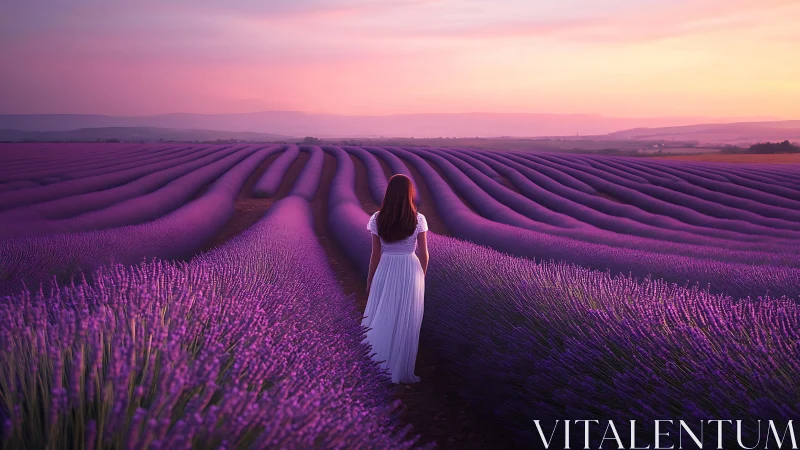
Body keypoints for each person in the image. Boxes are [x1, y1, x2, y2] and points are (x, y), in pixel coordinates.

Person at [363, 174, 429, 384]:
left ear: (388, 193)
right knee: (406, 319)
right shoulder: (418, 219)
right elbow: (425, 254)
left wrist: (370, 280)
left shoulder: (377, 218)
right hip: (411, 269)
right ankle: (400, 369)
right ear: (410, 193)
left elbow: (375, 254)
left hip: (386, 267)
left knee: (383, 315)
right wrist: (421, 277)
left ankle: (377, 365)